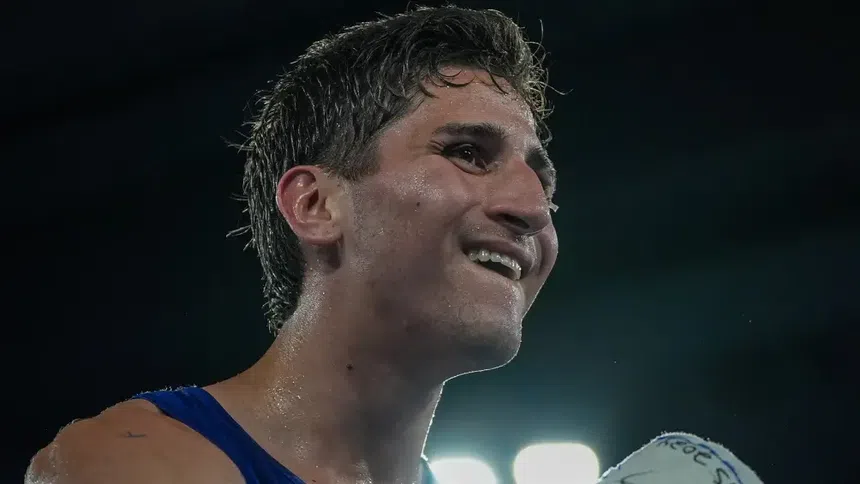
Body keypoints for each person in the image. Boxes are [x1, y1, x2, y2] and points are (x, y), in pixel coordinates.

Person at [26, 5, 560, 484]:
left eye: (545, 186)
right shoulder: (137, 461)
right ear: (316, 205)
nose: (533, 209)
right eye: (467, 153)